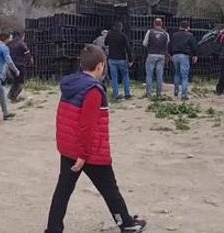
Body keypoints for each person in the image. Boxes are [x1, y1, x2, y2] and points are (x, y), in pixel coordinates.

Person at [45, 45, 147, 233]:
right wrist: (83, 154)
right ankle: (126, 224)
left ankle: (53, 229)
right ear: (100, 66)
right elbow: (87, 125)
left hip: (69, 148)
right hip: (89, 151)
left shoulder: (70, 84)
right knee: (109, 188)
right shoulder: (93, 90)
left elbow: (63, 117)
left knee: (63, 190)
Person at [169, 21, 198, 101]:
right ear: (188, 27)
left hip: (175, 55)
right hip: (184, 56)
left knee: (176, 73)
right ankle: (184, 95)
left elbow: (170, 45)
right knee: (184, 76)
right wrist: (195, 55)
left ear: (180, 26)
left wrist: (171, 54)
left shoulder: (174, 35)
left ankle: (176, 89)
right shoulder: (190, 35)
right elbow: (193, 46)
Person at [105, 22, 133, 100]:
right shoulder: (123, 36)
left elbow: (105, 43)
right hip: (122, 59)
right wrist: (130, 60)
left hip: (112, 59)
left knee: (114, 77)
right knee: (125, 76)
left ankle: (116, 95)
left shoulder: (110, 35)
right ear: (121, 28)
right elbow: (128, 48)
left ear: (114, 27)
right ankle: (127, 94)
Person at [142, 18, 169, 98]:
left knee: (149, 75)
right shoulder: (165, 34)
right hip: (161, 55)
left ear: (154, 23)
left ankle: (149, 93)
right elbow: (167, 44)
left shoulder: (150, 32)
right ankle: (159, 94)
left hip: (151, 54)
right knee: (159, 75)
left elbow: (144, 43)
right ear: (161, 24)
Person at [7, 31, 32, 102]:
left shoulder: (9, 44)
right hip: (20, 65)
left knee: (15, 81)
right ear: (20, 35)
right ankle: (14, 97)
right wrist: (29, 61)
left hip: (11, 65)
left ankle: (10, 95)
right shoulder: (21, 43)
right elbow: (27, 53)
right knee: (20, 83)